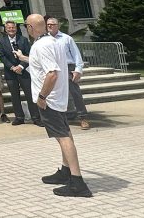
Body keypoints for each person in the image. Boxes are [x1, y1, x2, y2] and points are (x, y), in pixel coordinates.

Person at [21, 14, 92, 197]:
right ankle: (66, 170)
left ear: (30, 27)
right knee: (65, 133)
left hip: (50, 99)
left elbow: (51, 73)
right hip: (58, 97)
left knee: (63, 136)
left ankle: (77, 182)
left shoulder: (41, 45)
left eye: (26, 26)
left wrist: (42, 96)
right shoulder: (54, 42)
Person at [46, 16, 91, 130]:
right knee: (55, 94)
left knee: (75, 93)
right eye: (48, 24)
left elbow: (76, 55)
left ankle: (83, 117)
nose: (50, 26)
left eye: (52, 24)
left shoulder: (66, 39)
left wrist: (78, 70)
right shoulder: (44, 40)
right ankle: (60, 118)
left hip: (67, 68)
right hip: (52, 69)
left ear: (58, 26)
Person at [0, 19, 41, 126]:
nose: (11, 29)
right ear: (6, 29)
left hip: (24, 71)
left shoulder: (23, 40)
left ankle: (36, 117)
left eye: (13, 27)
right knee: (14, 96)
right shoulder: (1, 41)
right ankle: (19, 117)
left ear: (16, 28)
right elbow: (2, 56)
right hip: (10, 73)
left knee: (30, 95)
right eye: (9, 28)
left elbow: (28, 54)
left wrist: (21, 66)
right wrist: (12, 67)